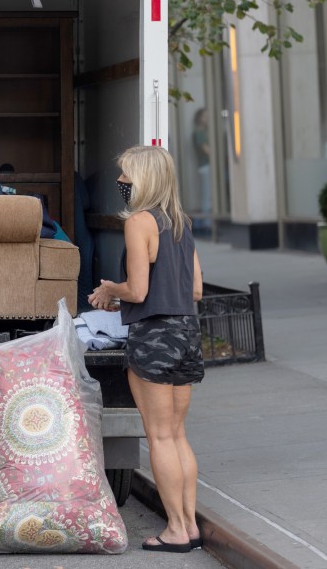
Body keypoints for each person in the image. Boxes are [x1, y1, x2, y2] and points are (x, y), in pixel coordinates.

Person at [88, 145, 204, 554]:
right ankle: (189, 524)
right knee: (177, 434)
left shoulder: (139, 222)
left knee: (157, 436)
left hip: (153, 336)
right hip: (187, 332)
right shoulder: (181, 223)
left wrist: (109, 290)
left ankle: (174, 529)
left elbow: (138, 289)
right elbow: (195, 289)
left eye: (126, 175)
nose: (120, 182)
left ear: (143, 180)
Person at [192, 108, 211, 230]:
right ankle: (206, 223)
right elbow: (206, 150)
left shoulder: (205, 132)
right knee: (207, 195)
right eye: (205, 116)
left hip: (206, 166)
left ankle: (207, 222)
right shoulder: (199, 132)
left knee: (209, 195)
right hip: (205, 166)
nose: (207, 118)